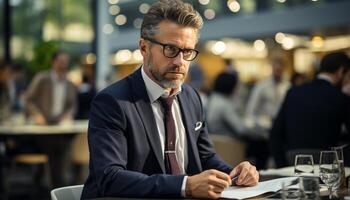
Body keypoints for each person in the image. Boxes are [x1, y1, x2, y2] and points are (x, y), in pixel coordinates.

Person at [82, 0, 259, 199]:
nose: (179, 62)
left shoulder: (192, 97)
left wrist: (234, 174)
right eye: (170, 49)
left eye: (187, 52)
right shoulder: (112, 102)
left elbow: (206, 157)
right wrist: (186, 185)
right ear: (143, 48)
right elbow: (110, 178)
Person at [270, 52, 350, 167]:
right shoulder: (340, 97)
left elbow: (275, 134)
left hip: (293, 161)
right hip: (326, 164)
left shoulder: (293, 92)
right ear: (341, 71)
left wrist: (282, 166)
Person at [244, 57, 290, 169]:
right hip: (264, 128)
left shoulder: (287, 86)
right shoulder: (262, 86)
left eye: (280, 69)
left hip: (281, 127)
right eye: (276, 68)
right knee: (262, 160)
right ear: (272, 68)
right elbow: (251, 109)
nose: (278, 71)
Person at [26, 50, 77, 125]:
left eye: (66, 62)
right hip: (41, 123)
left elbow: (72, 105)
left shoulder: (70, 84)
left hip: (60, 123)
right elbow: (29, 99)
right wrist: (37, 114)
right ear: (53, 62)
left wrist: (67, 115)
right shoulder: (42, 78)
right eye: (61, 61)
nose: (63, 65)